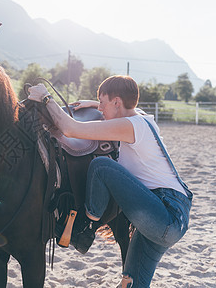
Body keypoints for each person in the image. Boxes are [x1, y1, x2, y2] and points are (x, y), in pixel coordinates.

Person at [28, 75, 193, 288]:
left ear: (116, 102)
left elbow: (71, 129)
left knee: (102, 167)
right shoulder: (143, 118)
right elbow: (123, 107)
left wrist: (45, 98)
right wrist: (93, 103)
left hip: (164, 213)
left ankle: (85, 227)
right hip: (168, 220)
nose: (100, 110)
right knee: (130, 283)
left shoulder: (131, 126)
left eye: (103, 104)